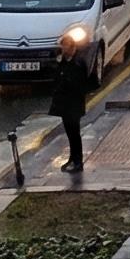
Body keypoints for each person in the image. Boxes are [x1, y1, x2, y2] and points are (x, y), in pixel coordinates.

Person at [47, 36, 96, 173]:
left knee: (75, 133)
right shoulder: (62, 61)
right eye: (62, 47)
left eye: (65, 47)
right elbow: (56, 77)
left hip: (74, 103)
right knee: (69, 132)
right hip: (64, 103)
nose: (63, 50)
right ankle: (72, 158)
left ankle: (78, 161)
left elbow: (80, 83)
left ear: (71, 47)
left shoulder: (78, 63)